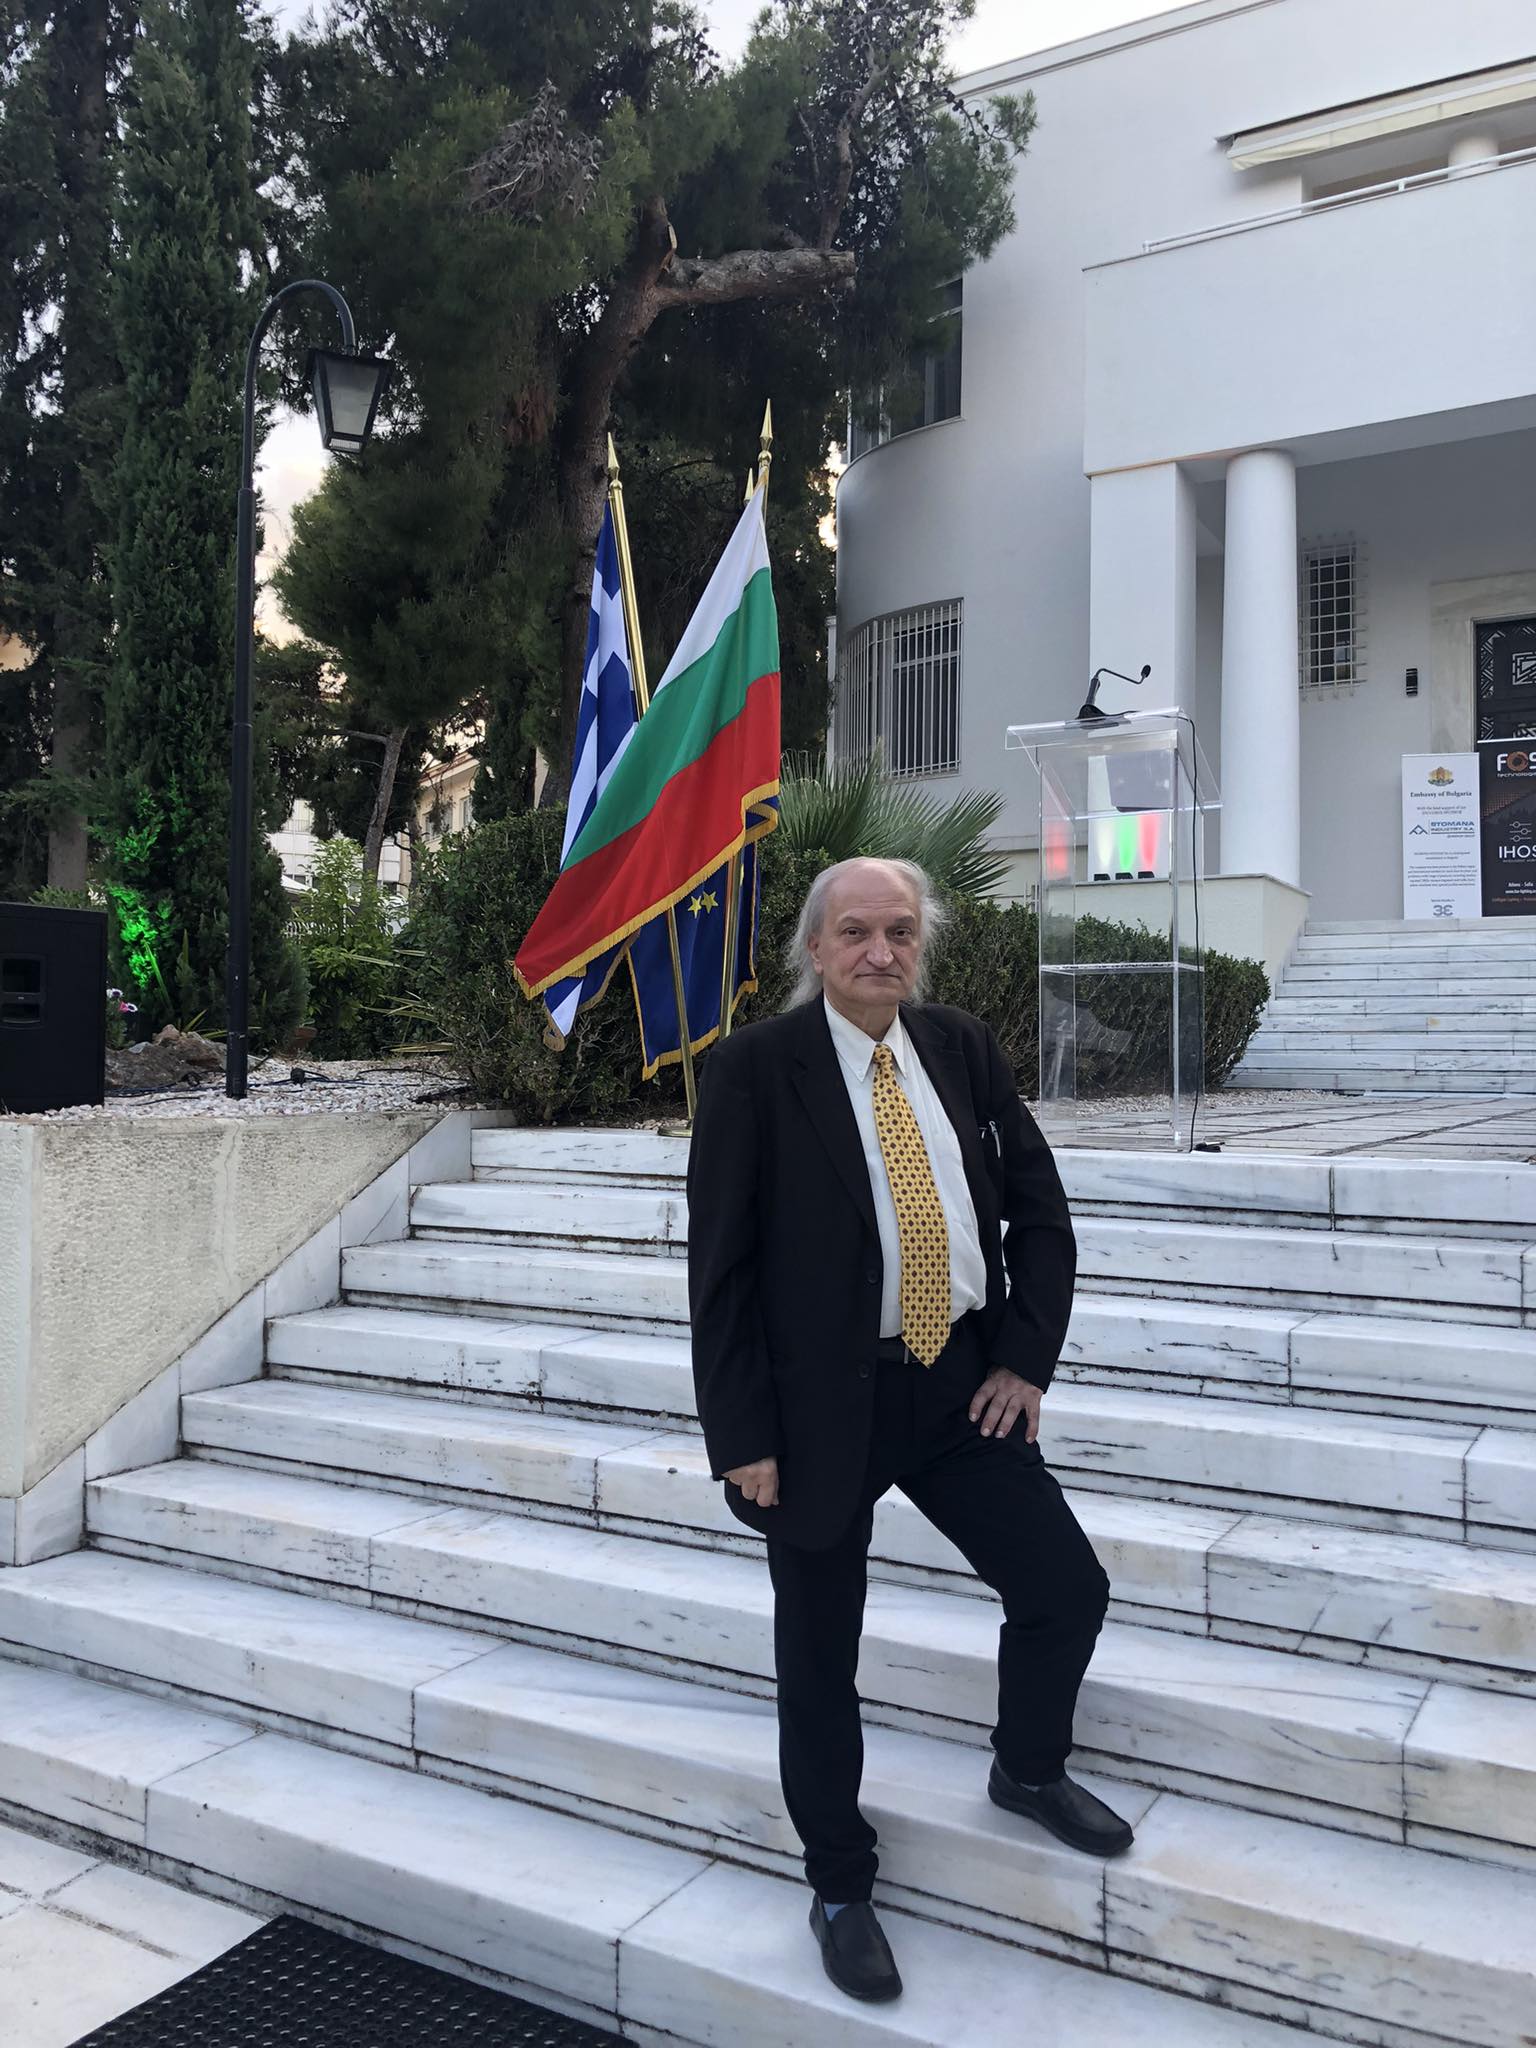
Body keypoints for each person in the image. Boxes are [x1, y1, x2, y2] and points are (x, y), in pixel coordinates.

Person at [686, 856, 1127, 2004]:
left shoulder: (960, 1046)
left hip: (959, 1385)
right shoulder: (753, 1070)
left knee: (1064, 1586)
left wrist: (1024, 1355)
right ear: (815, 948)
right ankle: (840, 1882)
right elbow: (721, 1274)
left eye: (899, 930)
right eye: (855, 932)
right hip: (816, 1411)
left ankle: (1027, 1767)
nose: (880, 951)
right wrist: (743, 1434)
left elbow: (1040, 1210)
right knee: (818, 1656)